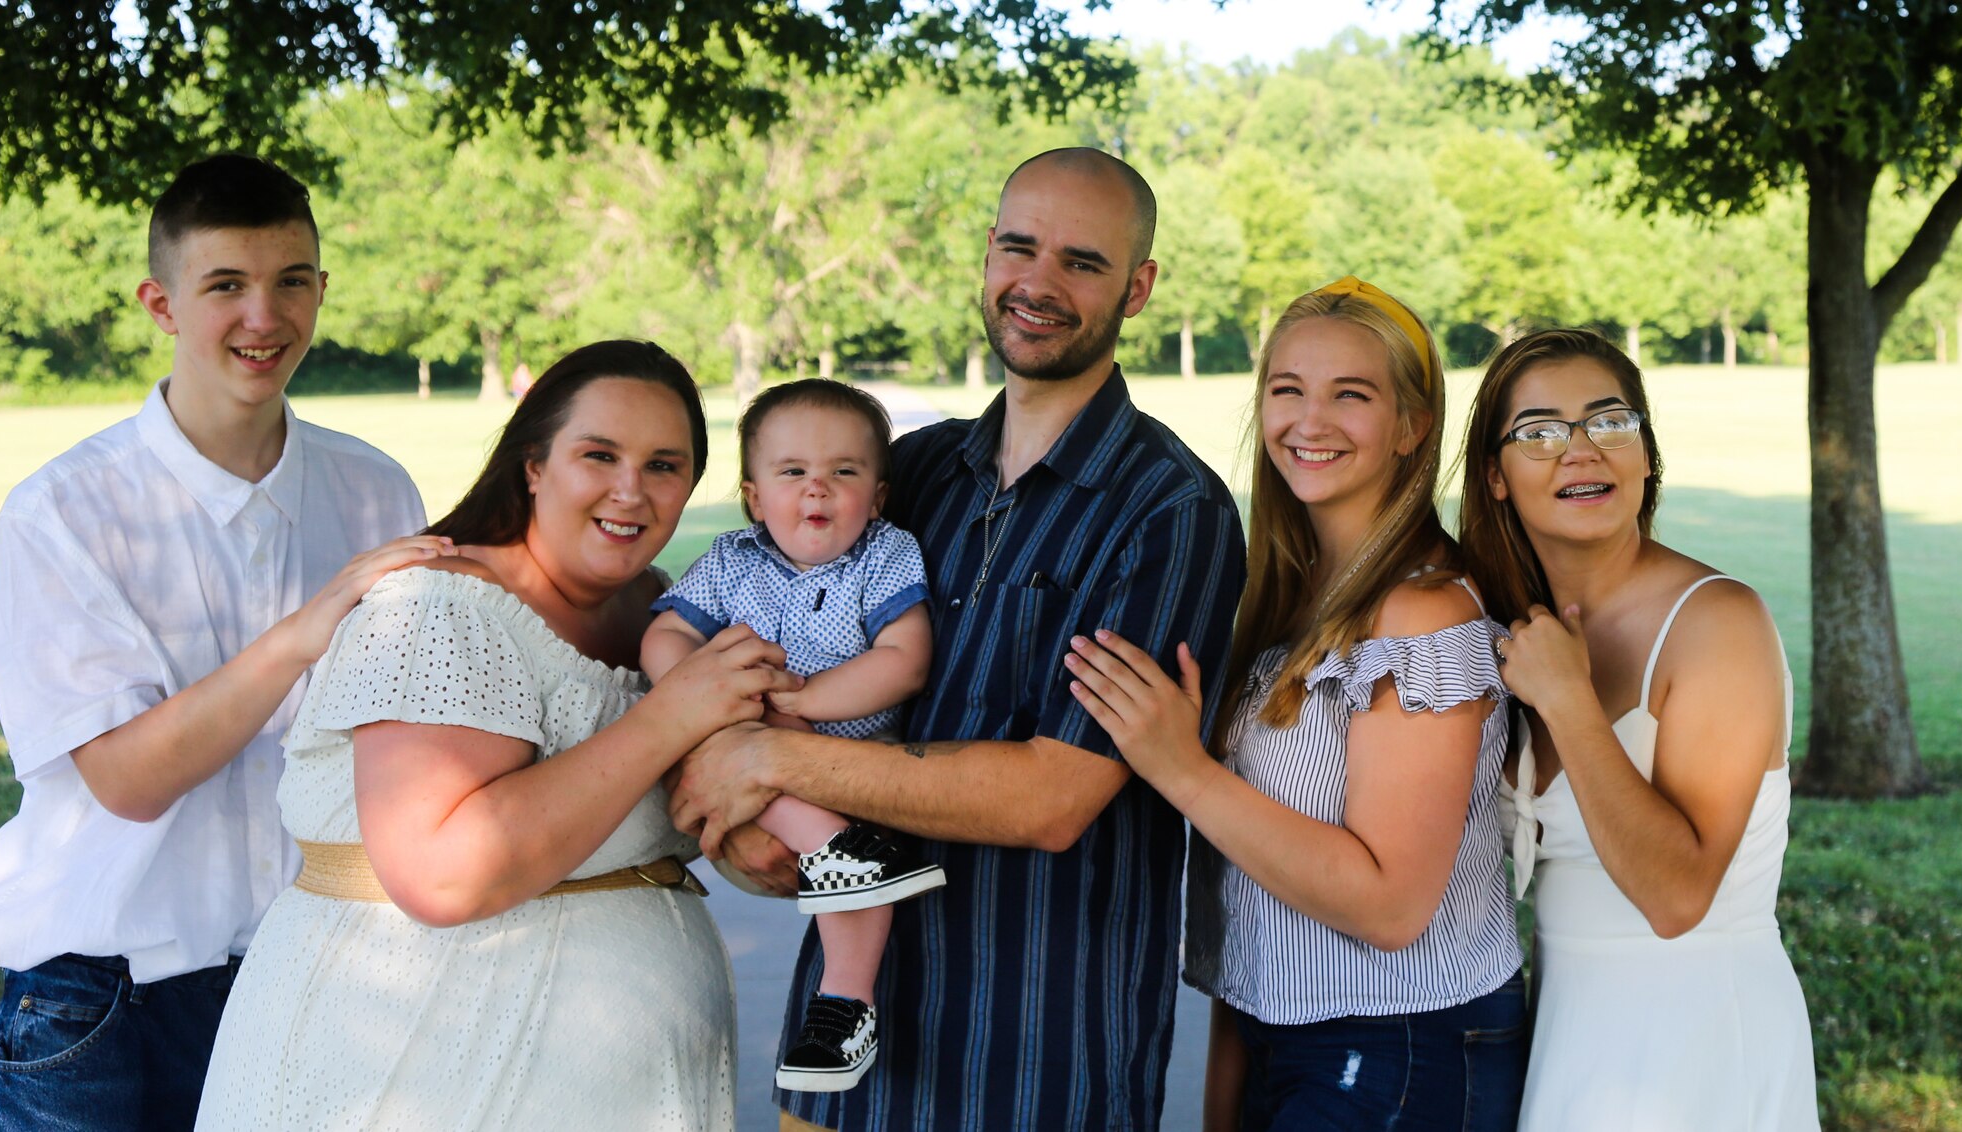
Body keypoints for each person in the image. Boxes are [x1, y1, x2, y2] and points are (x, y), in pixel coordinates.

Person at [666, 147, 1248, 1131]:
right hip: (845, 1052)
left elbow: (1056, 794)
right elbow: (750, 671)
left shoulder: (1169, 510)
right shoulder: (902, 473)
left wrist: (765, 756)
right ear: (986, 255)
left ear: (1138, 287)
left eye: (1082, 262)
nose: (1038, 283)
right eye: (1017, 248)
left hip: (1036, 1056)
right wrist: (745, 829)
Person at [194, 340, 796, 1130]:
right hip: (414, 1078)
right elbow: (443, 872)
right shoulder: (438, 608)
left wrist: (753, 837)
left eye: (664, 465)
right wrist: (670, 716)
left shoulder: (667, 617)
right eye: (599, 455)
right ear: (533, 465)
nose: (631, 491)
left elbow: (654, 817)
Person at [0, 154, 438, 1130]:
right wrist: (304, 633)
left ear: (322, 290)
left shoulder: (378, 491)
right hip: (101, 998)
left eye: (291, 282)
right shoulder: (61, 511)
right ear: (162, 304)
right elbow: (126, 778)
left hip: (309, 971)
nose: (263, 318)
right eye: (225, 285)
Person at [1066, 279, 1527, 1131]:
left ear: (1412, 426)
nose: (1308, 422)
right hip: (1278, 1029)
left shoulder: (1422, 614)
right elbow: (1257, 891)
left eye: (1350, 395)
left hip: (1398, 1046)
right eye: (1288, 390)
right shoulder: (1286, 594)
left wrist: (1181, 769)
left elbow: (1390, 907)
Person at [1459, 328, 1819, 1130]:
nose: (1580, 451)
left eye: (1609, 422)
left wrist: (1570, 704)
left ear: (1646, 454)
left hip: (1698, 1045)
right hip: (1568, 1032)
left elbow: (1676, 896)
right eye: (1541, 432)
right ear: (1497, 478)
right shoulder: (1510, 626)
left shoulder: (1718, 623)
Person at [643, 378, 941, 1093]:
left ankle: (845, 999)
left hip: (854, 757)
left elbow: (904, 661)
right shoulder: (731, 560)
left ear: (876, 496)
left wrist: (802, 701)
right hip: (747, 735)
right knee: (750, 753)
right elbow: (667, 632)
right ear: (753, 497)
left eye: (844, 472)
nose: (818, 490)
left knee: (844, 873)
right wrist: (699, 691)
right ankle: (846, 910)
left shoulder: (885, 555)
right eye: (793, 473)